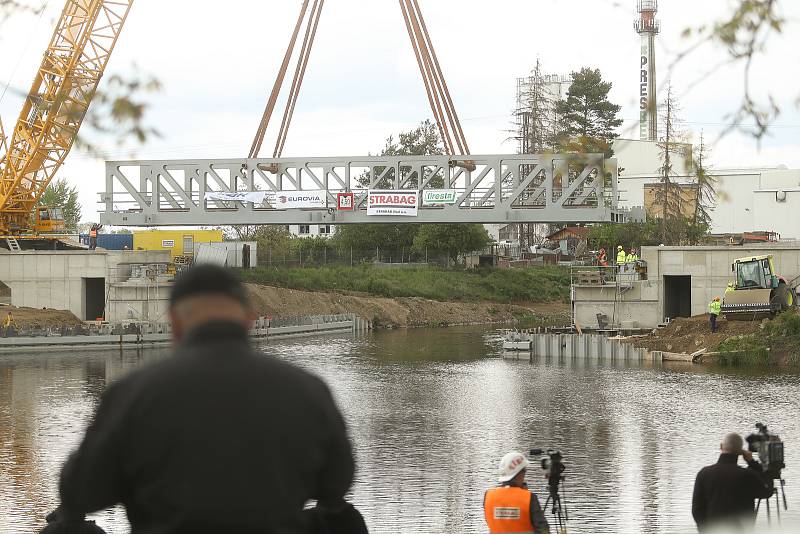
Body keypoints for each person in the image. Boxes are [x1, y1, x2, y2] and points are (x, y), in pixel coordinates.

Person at [52, 264, 355, 532]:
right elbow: (337, 483)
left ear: (174, 322)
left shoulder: (132, 393)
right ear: (249, 319)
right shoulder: (307, 390)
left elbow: (79, 493)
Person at [692, 432, 772, 531]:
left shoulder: (703, 473)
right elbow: (767, 491)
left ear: (721, 446)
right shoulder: (747, 475)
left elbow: (696, 510)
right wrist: (752, 463)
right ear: (740, 452)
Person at [484, 451, 550, 533]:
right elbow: (543, 530)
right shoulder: (529, 498)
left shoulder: (488, 496)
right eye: (524, 471)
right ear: (519, 473)